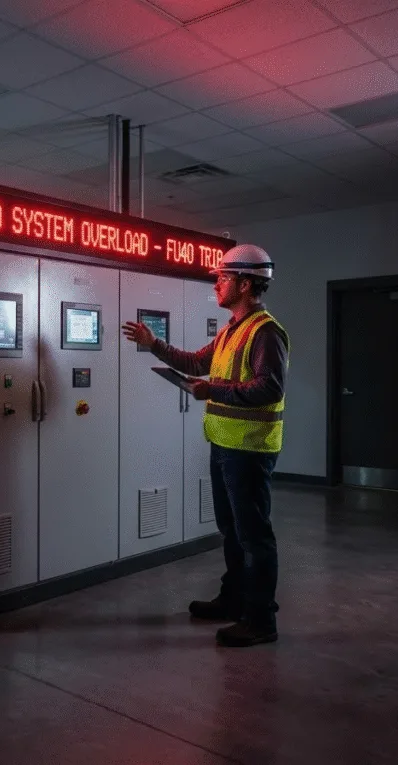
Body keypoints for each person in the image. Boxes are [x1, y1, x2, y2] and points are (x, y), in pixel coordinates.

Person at [122, 244, 289, 648]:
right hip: (224, 444)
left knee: (254, 536)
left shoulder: (265, 332)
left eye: (223, 278)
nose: (216, 284)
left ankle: (261, 620)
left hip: (249, 449)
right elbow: (197, 363)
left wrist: (212, 391)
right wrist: (154, 343)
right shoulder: (232, 330)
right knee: (231, 530)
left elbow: (269, 388)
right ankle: (234, 600)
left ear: (245, 284)